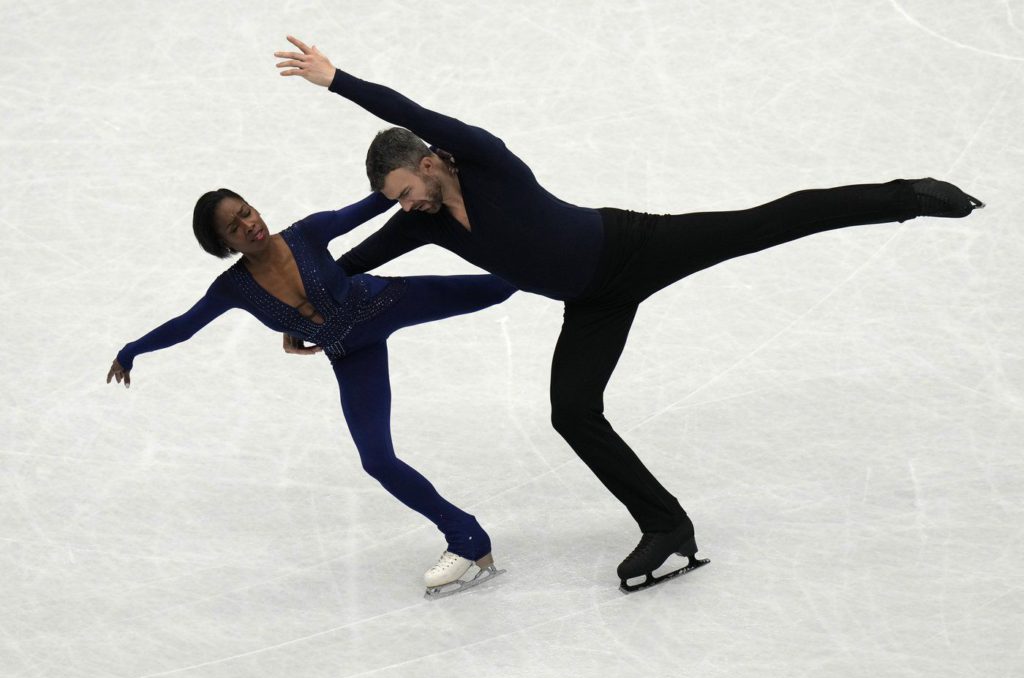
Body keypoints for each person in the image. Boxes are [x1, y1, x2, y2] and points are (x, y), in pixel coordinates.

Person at [272, 36, 985, 592]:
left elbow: (411, 112)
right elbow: (347, 266)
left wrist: (336, 81)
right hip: (591, 302)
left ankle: (906, 195)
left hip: (635, 246)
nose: (407, 206)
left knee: (765, 221)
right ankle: (668, 527)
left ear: (428, 162)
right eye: (396, 202)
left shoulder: (481, 160)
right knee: (572, 411)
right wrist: (307, 315)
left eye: (406, 190)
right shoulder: (427, 224)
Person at [107, 189, 515, 598]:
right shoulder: (233, 288)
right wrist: (131, 351)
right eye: (235, 227)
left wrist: (425, 168)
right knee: (377, 460)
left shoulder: (307, 233)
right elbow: (186, 324)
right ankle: (466, 535)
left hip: (386, 303)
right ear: (225, 246)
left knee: (502, 284)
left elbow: (377, 201)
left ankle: (573, 267)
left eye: (247, 212)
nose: (250, 225)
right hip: (352, 356)